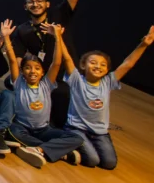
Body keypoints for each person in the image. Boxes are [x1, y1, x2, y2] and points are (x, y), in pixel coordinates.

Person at [11, 0, 102, 127]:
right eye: (31, 2)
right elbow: (18, 59)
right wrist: (22, 80)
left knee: (64, 97)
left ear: (47, 4)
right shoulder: (22, 30)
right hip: (43, 77)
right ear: (25, 6)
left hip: (66, 75)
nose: (35, 4)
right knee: (10, 84)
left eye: (39, 1)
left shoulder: (59, 15)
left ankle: (63, 126)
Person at [62, 25, 154, 169]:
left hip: (99, 132)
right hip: (76, 128)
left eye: (103, 65)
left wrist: (143, 45)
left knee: (109, 163)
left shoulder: (108, 81)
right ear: (83, 65)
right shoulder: (76, 80)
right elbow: (67, 59)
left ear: (106, 70)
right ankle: (68, 147)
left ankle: (83, 145)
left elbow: (128, 64)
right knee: (92, 160)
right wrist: (58, 37)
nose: (98, 66)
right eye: (93, 63)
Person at [2, 20, 83, 168]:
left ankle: (39, 149)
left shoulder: (46, 84)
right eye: (28, 68)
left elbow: (56, 63)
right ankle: (58, 152)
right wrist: (6, 37)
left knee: (77, 138)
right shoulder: (19, 83)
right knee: (13, 132)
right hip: (22, 128)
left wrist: (57, 37)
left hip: (44, 130)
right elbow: (13, 60)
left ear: (42, 72)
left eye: (37, 68)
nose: (32, 71)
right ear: (22, 71)